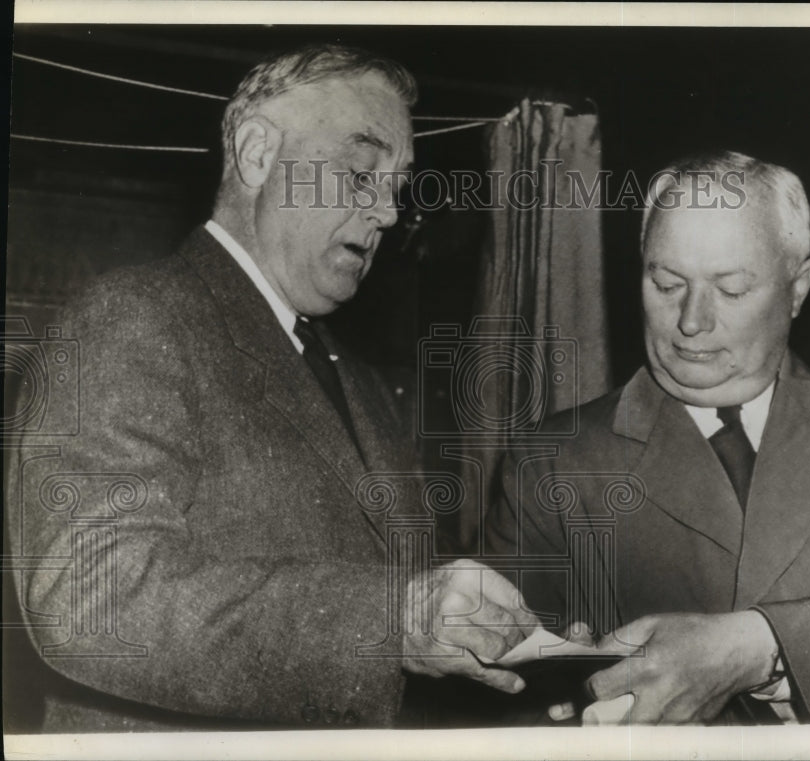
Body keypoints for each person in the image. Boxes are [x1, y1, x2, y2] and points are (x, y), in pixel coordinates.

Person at [4, 43, 535, 732]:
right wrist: (393, 619)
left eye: (397, 189)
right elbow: (90, 598)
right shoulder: (133, 317)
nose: (385, 214)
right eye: (360, 173)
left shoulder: (365, 387)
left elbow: (391, 652)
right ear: (257, 153)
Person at [482, 152, 810, 723]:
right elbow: (507, 696)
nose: (690, 321)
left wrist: (759, 646)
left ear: (798, 288)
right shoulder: (551, 462)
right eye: (665, 283)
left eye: (731, 289)